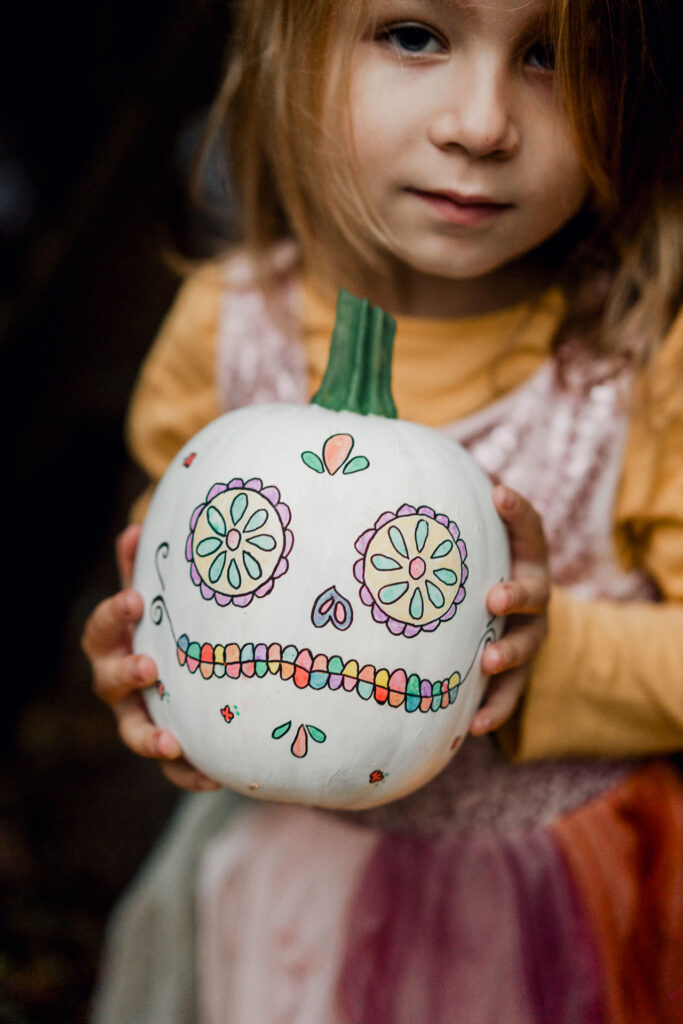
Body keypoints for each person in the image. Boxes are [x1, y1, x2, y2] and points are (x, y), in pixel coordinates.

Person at [82, 1, 683, 1021]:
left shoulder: (637, 369)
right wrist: (148, 665)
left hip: (544, 913)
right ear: (287, 41)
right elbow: (177, 575)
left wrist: (551, 654)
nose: (481, 123)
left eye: (551, 56)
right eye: (413, 34)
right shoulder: (223, 326)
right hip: (288, 894)